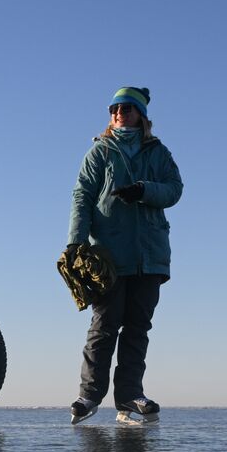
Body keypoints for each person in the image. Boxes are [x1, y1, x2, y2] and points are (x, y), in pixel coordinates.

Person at [66, 86, 182, 425]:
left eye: (128, 108)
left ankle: (130, 394)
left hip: (150, 256)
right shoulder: (99, 153)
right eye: (115, 108)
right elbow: (82, 196)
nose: (120, 113)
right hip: (108, 257)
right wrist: (75, 242)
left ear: (142, 115)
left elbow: (175, 189)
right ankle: (89, 396)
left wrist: (144, 190)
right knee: (104, 326)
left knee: (137, 328)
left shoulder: (158, 153)